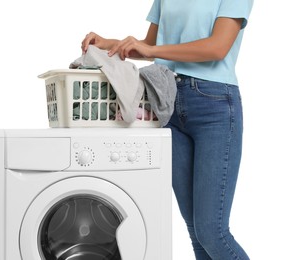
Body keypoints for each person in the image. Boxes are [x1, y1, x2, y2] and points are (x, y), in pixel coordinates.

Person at [81, 0, 253, 259]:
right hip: (167, 100)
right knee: (196, 233)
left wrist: (149, 48)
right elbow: (152, 48)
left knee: (212, 232)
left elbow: (218, 48)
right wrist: (109, 44)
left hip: (214, 106)